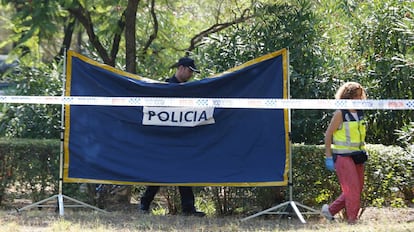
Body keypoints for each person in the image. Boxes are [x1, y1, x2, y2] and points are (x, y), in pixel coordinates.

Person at [139, 57, 205, 217]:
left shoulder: (189, 90)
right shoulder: (164, 87)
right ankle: (144, 205)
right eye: (190, 71)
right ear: (181, 68)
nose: (191, 75)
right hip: (165, 139)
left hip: (182, 138)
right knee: (159, 172)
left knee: (184, 171)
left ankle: (188, 209)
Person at [322, 81, 368, 224]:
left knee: (356, 189)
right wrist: (328, 156)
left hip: (358, 156)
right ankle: (352, 221)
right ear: (348, 97)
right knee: (352, 190)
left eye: (361, 96)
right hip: (343, 156)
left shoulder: (360, 113)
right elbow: (328, 134)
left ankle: (329, 211)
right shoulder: (340, 113)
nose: (360, 99)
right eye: (357, 96)